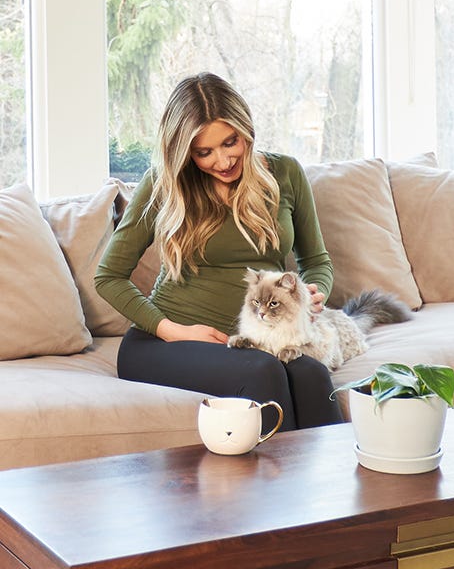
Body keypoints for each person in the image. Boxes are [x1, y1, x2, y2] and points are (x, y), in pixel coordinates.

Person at [95, 72, 343, 432]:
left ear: (246, 130)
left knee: (312, 376)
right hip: (162, 344)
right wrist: (173, 331)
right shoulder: (164, 185)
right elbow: (108, 276)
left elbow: (317, 261)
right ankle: (281, 489)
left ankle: (337, 487)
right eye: (204, 152)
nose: (224, 160)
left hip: (255, 341)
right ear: (184, 153)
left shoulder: (286, 173)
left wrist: (314, 292)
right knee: (264, 371)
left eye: (231, 142)